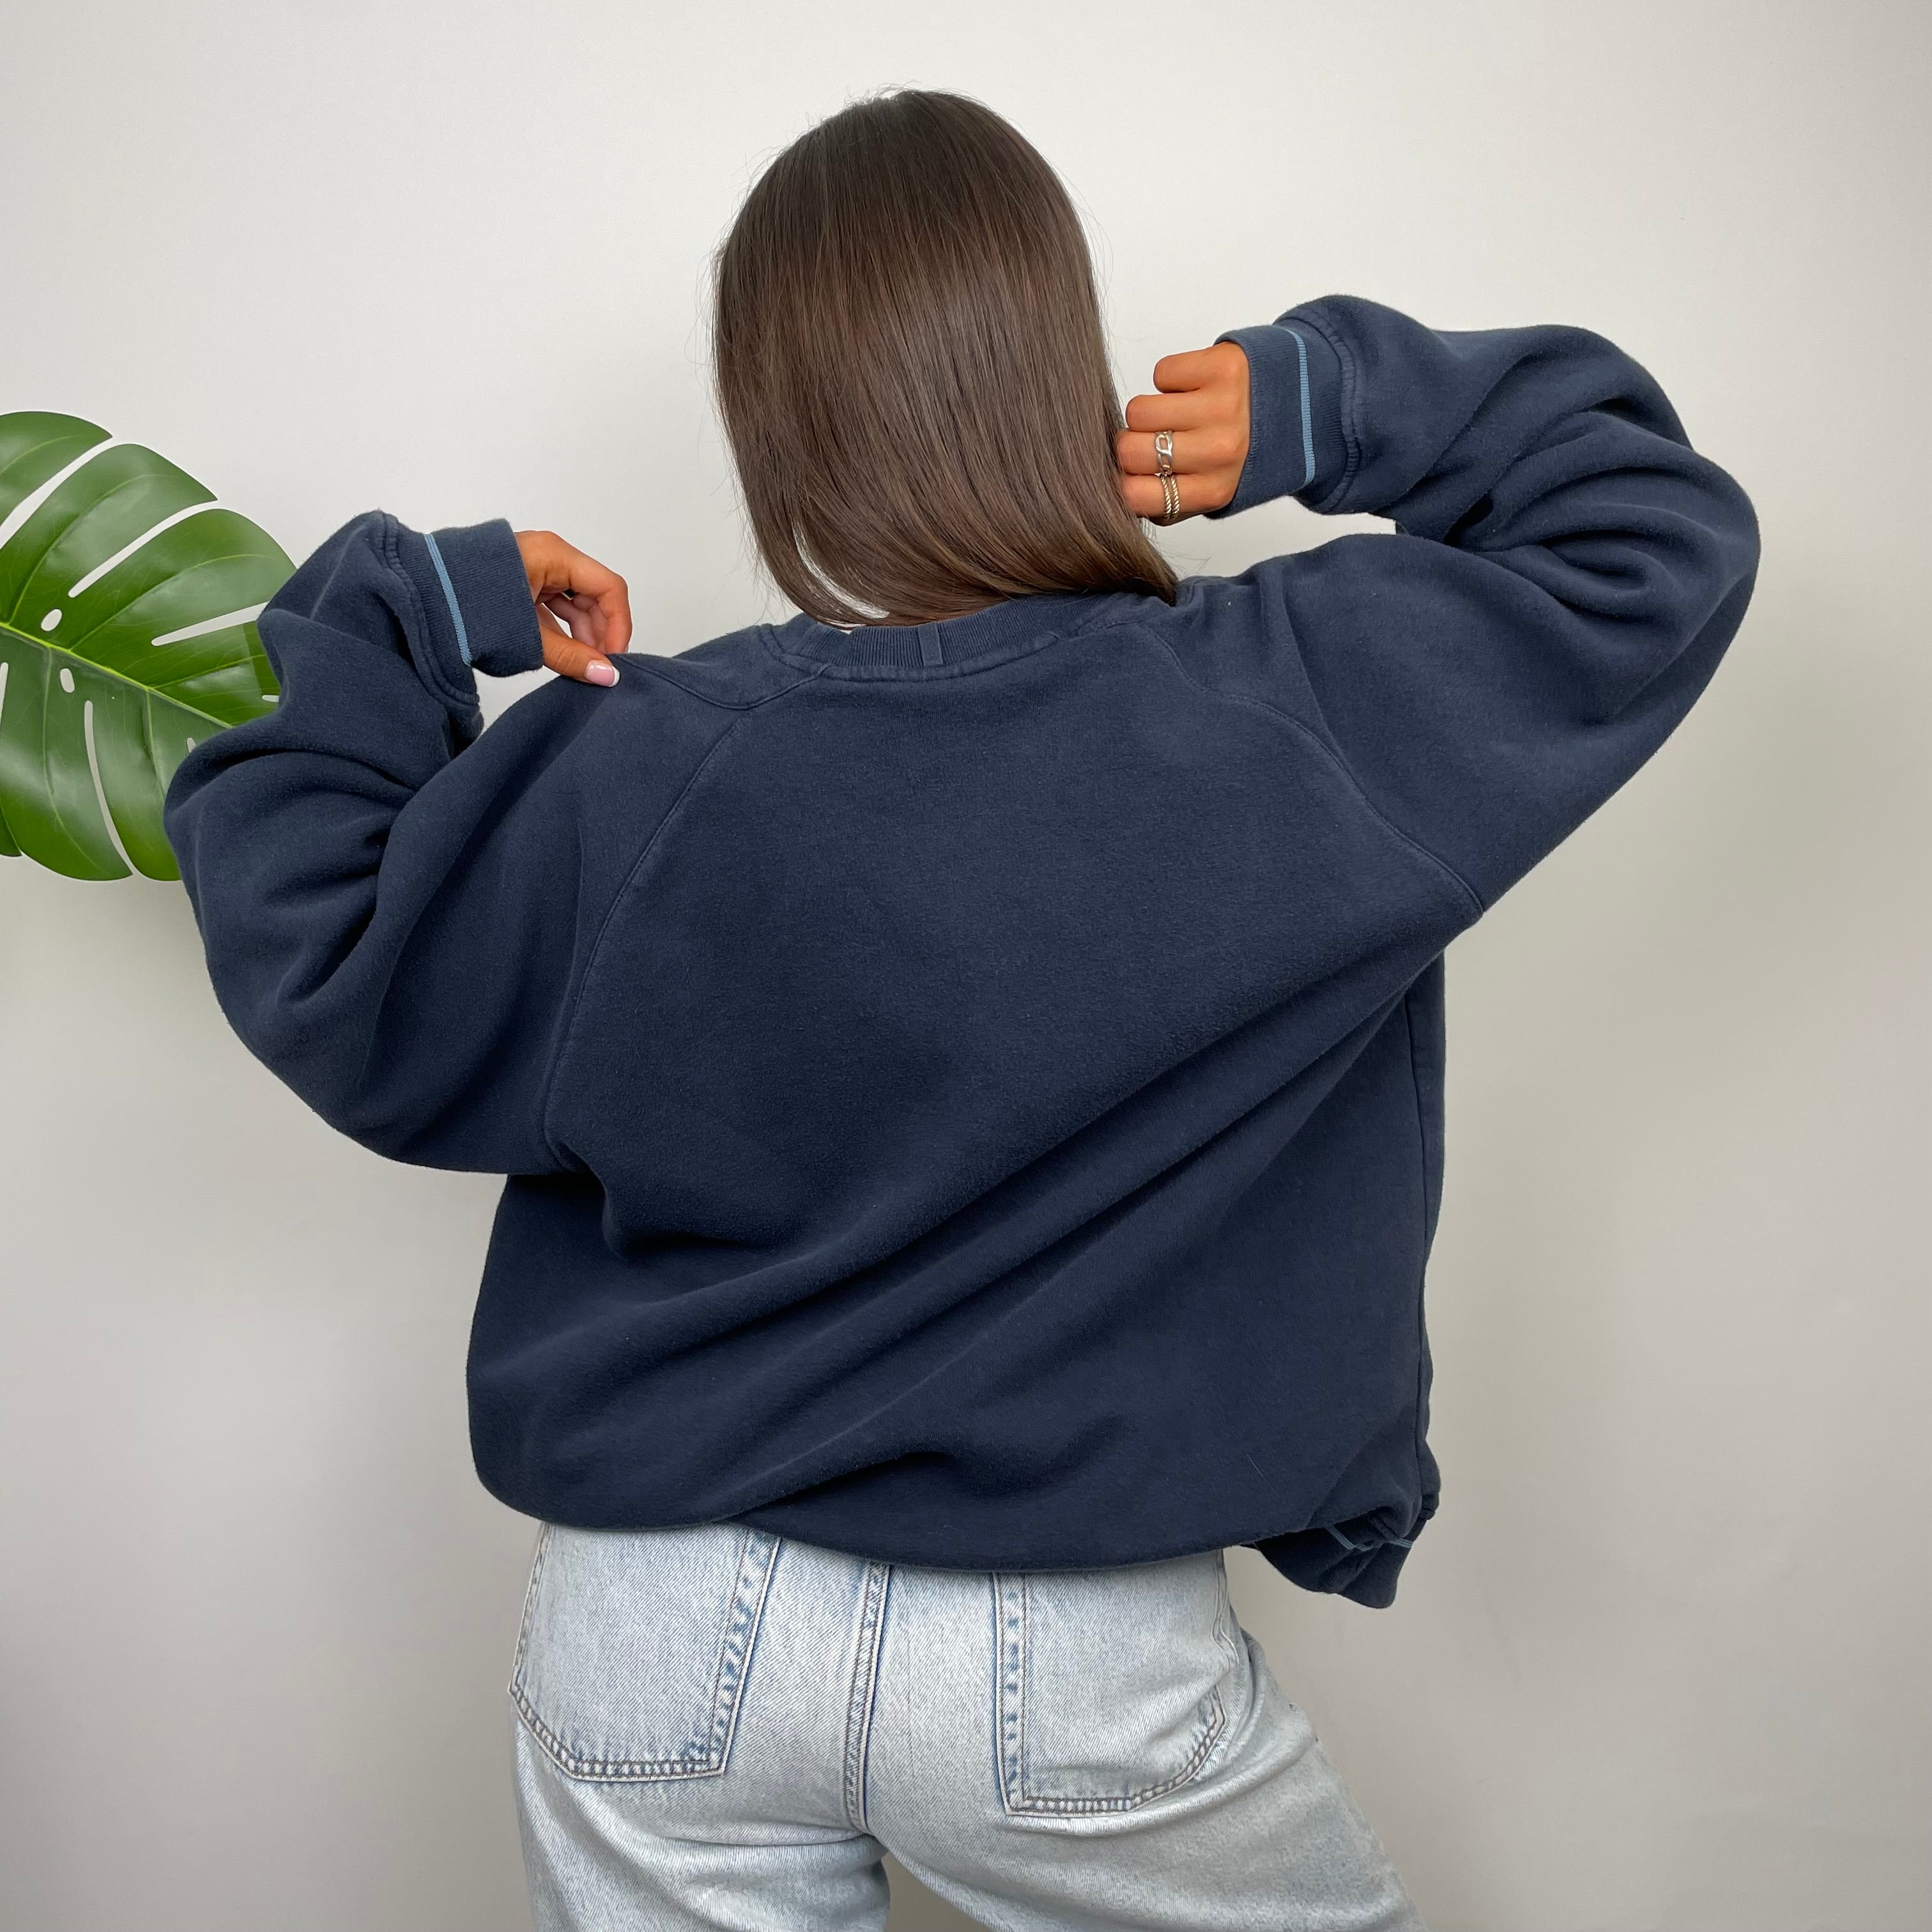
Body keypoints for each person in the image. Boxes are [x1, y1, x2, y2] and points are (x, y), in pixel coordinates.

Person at [163, 86, 1759, 1932]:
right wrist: (1333, 402)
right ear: (1050, 371)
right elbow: (1652, 539)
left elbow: (316, 929)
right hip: (1068, 1652)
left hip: (656, 1628)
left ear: (768, 427)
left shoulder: (640, 773)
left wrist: (408, 608)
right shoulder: (1286, 712)